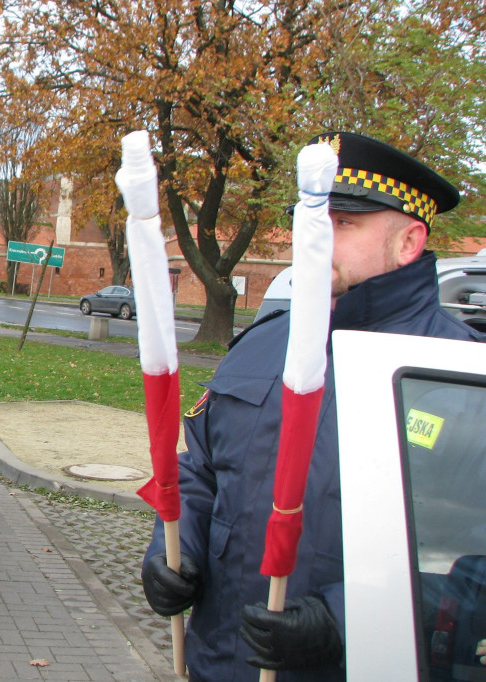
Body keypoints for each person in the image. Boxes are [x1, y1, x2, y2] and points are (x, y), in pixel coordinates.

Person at [136, 131, 486, 681]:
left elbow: (472, 561)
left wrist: (346, 620)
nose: (316, 238)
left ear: (409, 242)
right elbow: (201, 468)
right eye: (312, 218)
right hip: (219, 663)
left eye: (342, 222)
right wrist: (175, 552)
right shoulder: (265, 340)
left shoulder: (452, 375)